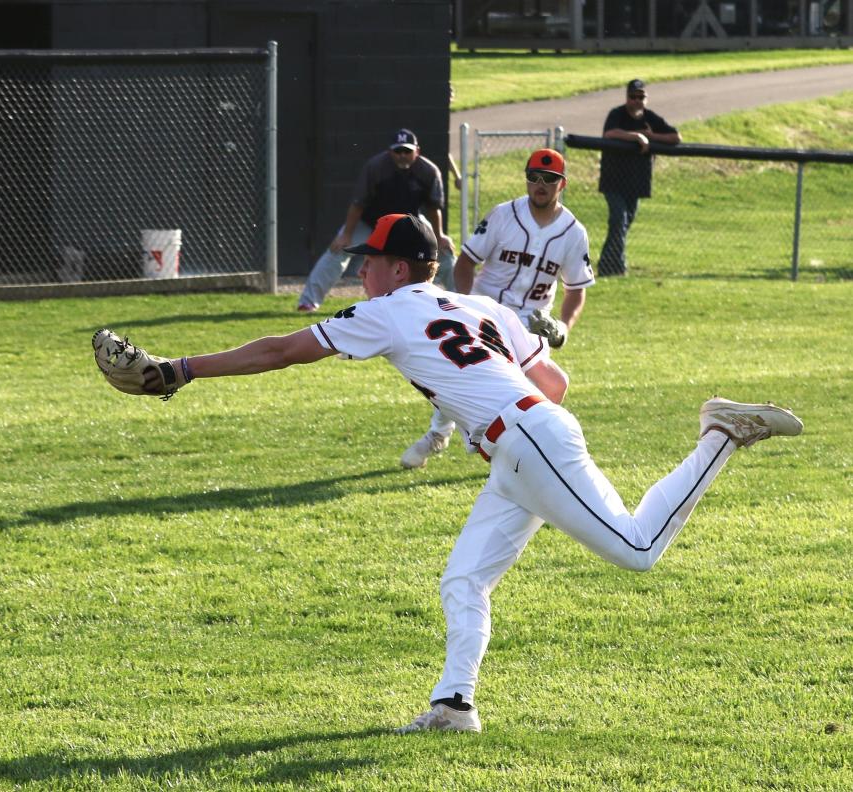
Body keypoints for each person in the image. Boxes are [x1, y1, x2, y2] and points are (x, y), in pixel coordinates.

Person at [95, 212, 803, 734]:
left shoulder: (388, 309)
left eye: (371, 259)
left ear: (400, 268)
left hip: (523, 442)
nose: (362, 269)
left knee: (638, 550)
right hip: (525, 440)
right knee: (464, 579)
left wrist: (179, 371)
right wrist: (491, 425)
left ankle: (719, 434)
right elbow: (553, 381)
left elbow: (282, 349)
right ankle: (453, 705)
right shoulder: (480, 305)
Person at [400, 148, 594, 470]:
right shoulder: (504, 215)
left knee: (535, 393)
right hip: (486, 312)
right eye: (534, 177)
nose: (540, 184)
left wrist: (564, 326)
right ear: (527, 180)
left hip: (532, 324)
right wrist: (464, 303)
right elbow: (466, 262)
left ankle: (525, 455)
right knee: (461, 376)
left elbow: (576, 289)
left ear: (563, 184)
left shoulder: (573, 233)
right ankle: (438, 435)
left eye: (550, 179)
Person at [296, 128, 455, 312]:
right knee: (337, 249)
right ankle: (308, 302)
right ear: (390, 152)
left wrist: (440, 235)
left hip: (409, 225)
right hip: (372, 223)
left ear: (416, 151)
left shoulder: (428, 171)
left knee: (444, 251)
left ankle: (462, 298)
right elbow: (358, 204)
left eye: (407, 151)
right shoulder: (376, 167)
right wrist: (346, 234)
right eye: (398, 151)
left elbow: (434, 207)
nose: (402, 155)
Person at [597, 79, 681, 277]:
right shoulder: (616, 114)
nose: (637, 101)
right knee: (619, 219)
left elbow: (676, 137)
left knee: (625, 223)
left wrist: (650, 136)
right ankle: (615, 266)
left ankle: (609, 265)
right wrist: (636, 137)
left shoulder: (650, 118)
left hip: (636, 182)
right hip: (614, 180)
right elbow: (610, 133)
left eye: (641, 97)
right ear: (626, 98)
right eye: (633, 97)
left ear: (646, 98)